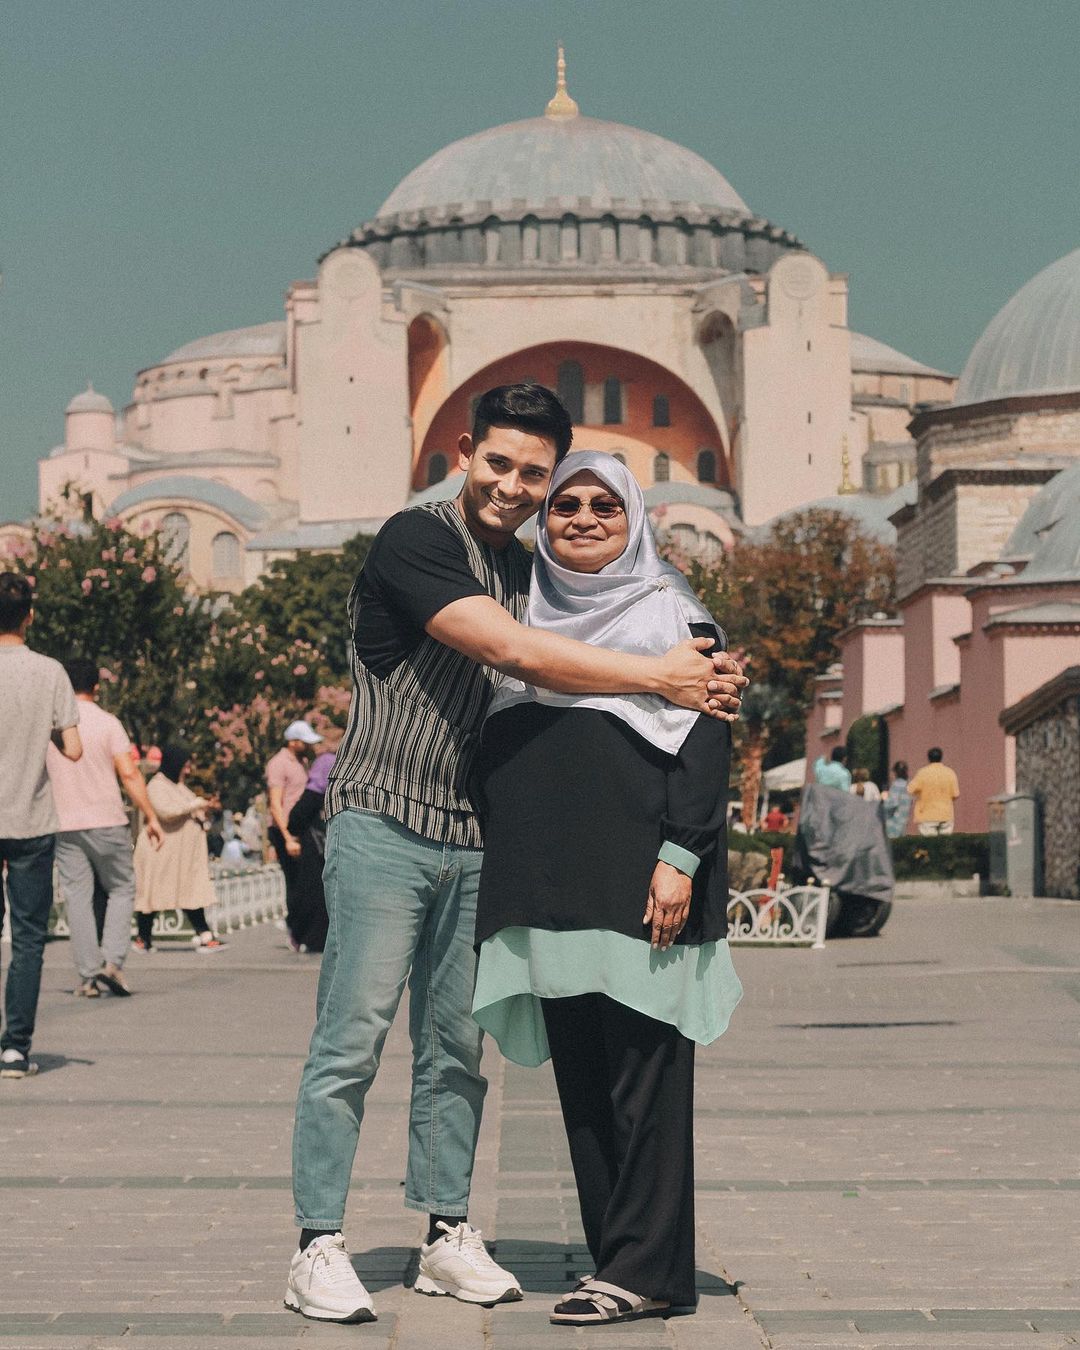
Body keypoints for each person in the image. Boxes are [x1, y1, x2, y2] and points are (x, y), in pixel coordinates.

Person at [286, 385, 747, 1325]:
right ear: (464, 452)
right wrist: (666, 674)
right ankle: (318, 1242)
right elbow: (514, 653)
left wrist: (703, 664)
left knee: (456, 1049)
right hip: (386, 824)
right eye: (502, 465)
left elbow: (654, 659)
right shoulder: (420, 541)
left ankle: (445, 1231)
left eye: (538, 476)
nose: (519, 488)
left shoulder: (542, 573)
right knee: (353, 1038)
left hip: (475, 842)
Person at [471, 452, 742, 1325]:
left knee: (643, 1078)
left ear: (634, 521)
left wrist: (681, 858)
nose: (583, 519)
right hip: (549, 884)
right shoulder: (520, 620)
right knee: (584, 1084)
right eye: (565, 506)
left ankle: (648, 1268)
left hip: (641, 880)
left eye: (604, 506)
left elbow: (705, 742)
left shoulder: (672, 613)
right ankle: (620, 1263)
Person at [0, 574, 82, 1078]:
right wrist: (41, 732)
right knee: (29, 938)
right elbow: (73, 748)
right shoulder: (50, 671)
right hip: (30, 821)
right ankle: (14, 1049)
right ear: (29, 616)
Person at [47, 658, 165, 997]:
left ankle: (88, 976)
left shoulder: (52, 726)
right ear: (96, 687)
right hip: (107, 820)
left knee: (78, 897)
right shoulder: (108, 722)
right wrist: (150, 815)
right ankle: (112, 963)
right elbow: (128, 773)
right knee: (122, 888)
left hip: (65, 824)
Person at [133, 745, 226, 952]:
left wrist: (205, 809)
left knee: (189, 892)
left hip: (180, 855)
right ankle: (143, 938)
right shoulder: (157, 786)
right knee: (152, 894)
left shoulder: (178, 787)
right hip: (160, 852)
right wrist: (195, 805)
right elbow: (166, 812)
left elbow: (190, 809)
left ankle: (205, 934)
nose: (188, 770)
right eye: (185, 765)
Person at [285, 727, 343, 954]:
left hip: (317, 836)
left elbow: (308, 802)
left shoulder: (325, 762)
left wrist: (293, 825)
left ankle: (310, 936)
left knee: (312, 886)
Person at [267, 721, 323, 951]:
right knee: (295, 883)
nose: (308, 746)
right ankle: (295, 930)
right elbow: (275, 804)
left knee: (307, 881)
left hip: (302, 827)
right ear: (292, 742)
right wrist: (287, 837)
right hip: (286, 830)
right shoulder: (278, 764)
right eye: (304, 742)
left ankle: (306, 929)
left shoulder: (303, 762)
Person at [907, 748, 960, 836]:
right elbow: (955, 794)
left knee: (929, 843)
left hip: (927, 815)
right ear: (941, 757)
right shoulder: (950, 772)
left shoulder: (922, 773)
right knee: (945, 843)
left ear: (928, 758)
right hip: (946, 814)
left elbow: (910, 789)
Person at [884, 761, 913, 839]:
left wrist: (883, 802)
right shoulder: (908, 785)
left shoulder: (896, 785)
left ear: (896, 773)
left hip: (893, 823)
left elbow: (892, 804)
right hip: (903, 822)